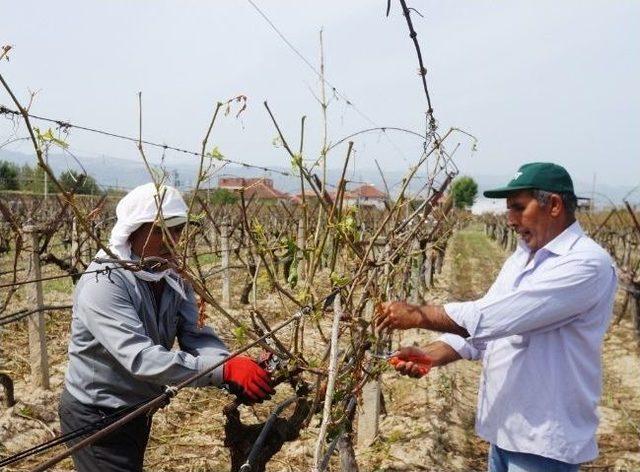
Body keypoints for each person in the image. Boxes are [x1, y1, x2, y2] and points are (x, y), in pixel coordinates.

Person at [376, 163, 617, 472]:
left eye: (519, 207)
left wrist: (418, 314)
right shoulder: (521, 258)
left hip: (543, 442)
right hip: (503, 433)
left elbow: (493, 318)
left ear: (554, 205)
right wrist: (431, 354)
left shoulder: (586, 264)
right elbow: (490, 331)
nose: (510, 220)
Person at [59, 183, 273, 472]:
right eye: (161, 230)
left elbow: (194, 334)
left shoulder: (171, 275)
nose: (172, 239)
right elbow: (141, 359)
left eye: (178, 230)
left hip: (136, 408)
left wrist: (230, 367)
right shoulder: (104, 282)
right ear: (133, 231)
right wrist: (224, 370)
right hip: (98, 414)